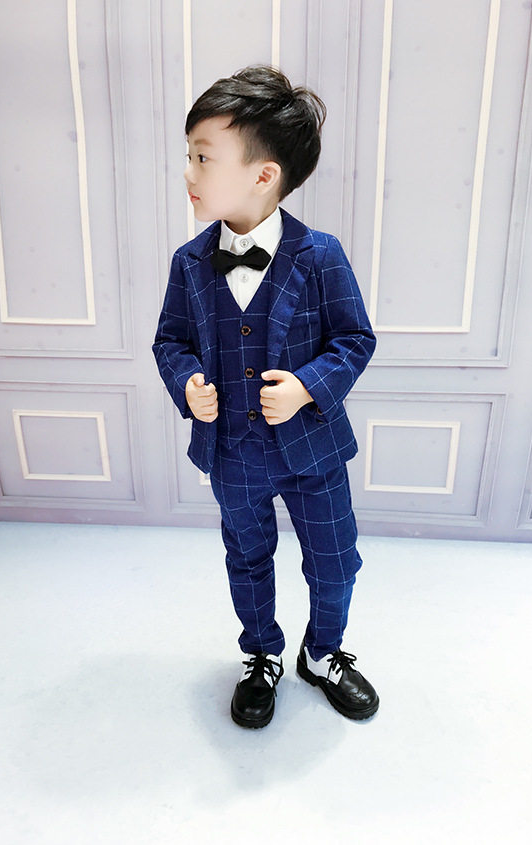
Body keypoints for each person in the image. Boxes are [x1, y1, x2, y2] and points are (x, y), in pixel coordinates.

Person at [153, 66, 379, 728]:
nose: (188, 172)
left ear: (263, 175)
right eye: (189, 155)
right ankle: (261, 655)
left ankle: (324, 651)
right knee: (247, 559)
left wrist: (308, 385)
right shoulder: (189, 262)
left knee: (335, 560)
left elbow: (355, 339)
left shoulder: (321, 256)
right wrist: (188, 383)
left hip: (313, 452)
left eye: (203, 157)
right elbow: (170, 341)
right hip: (234, 453)